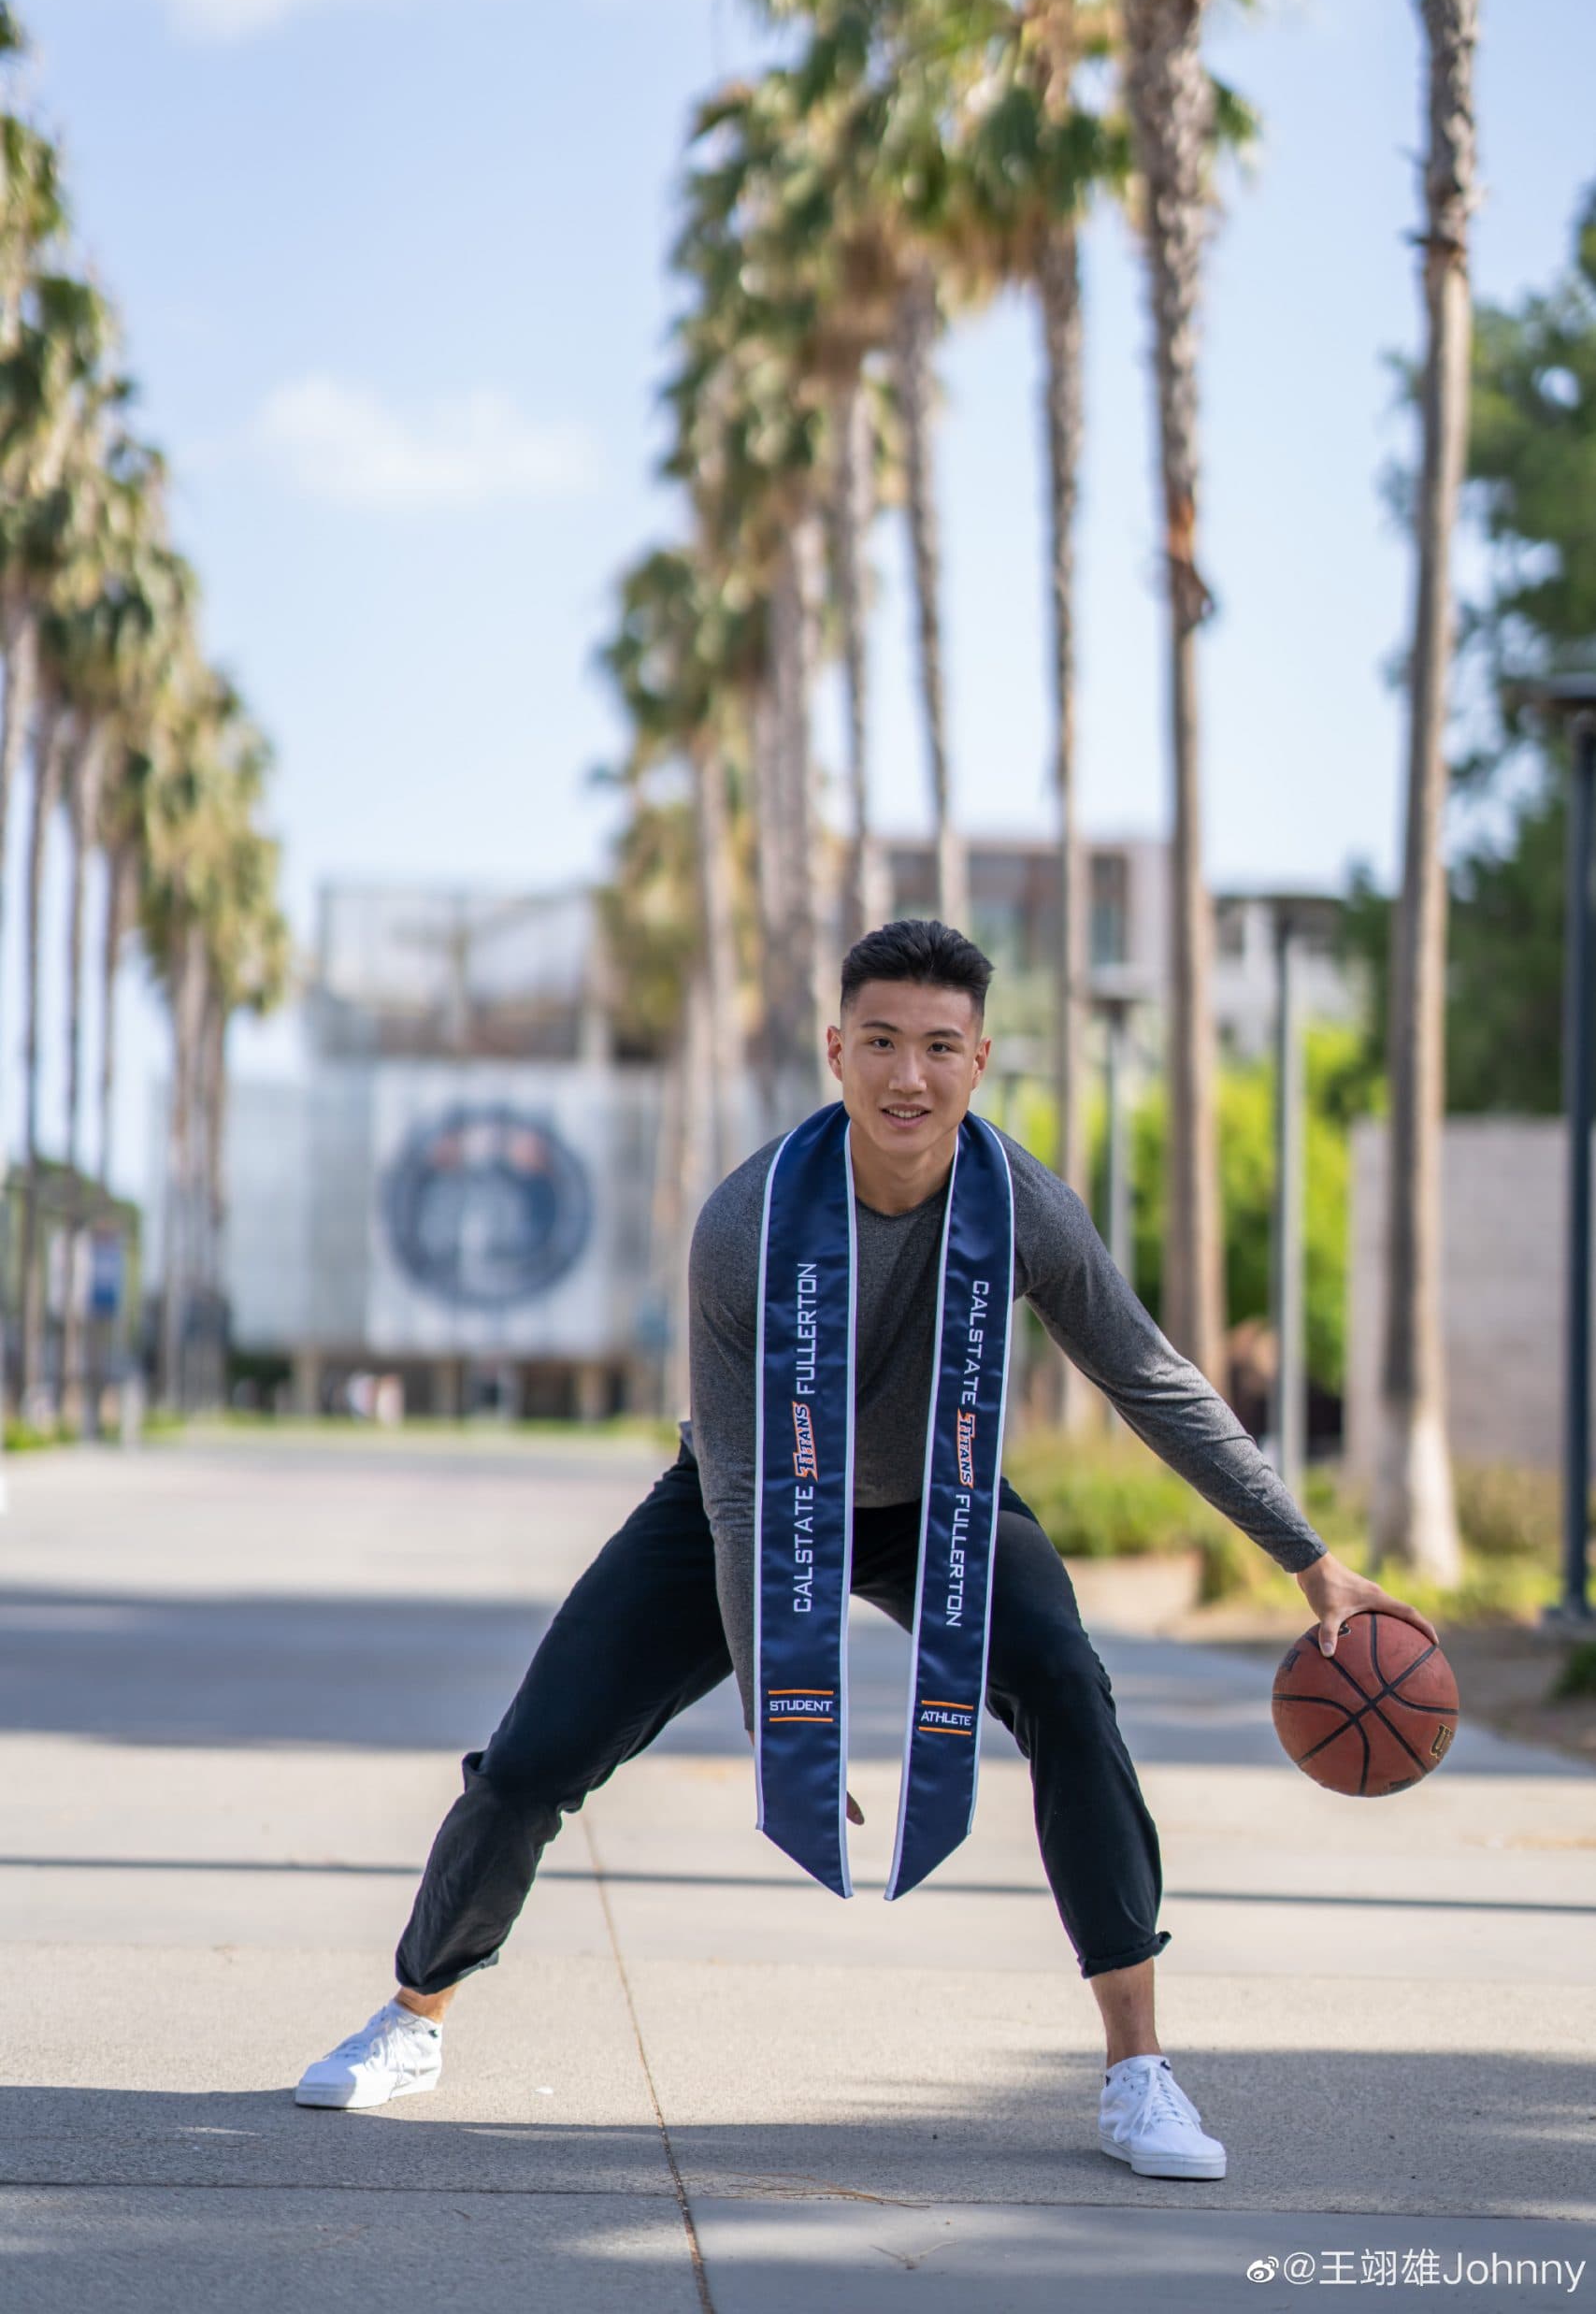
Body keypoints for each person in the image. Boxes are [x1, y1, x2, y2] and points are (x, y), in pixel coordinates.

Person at [295, 919, 1436, 2179]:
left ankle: (1139, 2074)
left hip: (939, 1494)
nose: (909, 1076)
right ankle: (414, 2016)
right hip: (751, 1499)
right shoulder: (748, 1225)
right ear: (838, 1051)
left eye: (939, 1048)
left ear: (980, 1062)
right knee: (532, 1758)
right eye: (882, 1042)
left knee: (1073, 1697)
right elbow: (737, 1502)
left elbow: (1151, 1381)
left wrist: (1307, 1558)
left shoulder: (1024, 1208)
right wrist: (783, 1714)